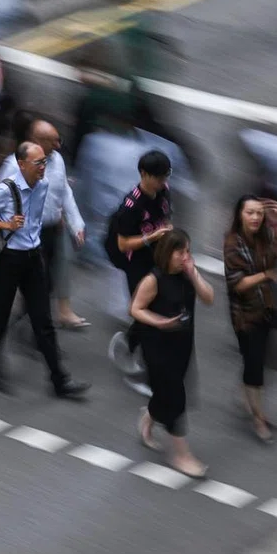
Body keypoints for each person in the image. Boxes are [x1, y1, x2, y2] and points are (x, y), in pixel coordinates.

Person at [0, 142, 91, 399]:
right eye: (38, 163)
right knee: (1, 315)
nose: (43, 167)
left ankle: (60, 381)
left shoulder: (43, 185)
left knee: (43, 321)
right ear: (21, 164)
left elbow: (40, 216)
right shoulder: (6, 189)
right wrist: (5, 225)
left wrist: (62, 223)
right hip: (8, 260)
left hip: (33, 258)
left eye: (44, 162)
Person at [133, 229, 214, 477]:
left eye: (188, 251)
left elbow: (209, 298)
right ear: (167, 253)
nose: (185, 257)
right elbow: (136, 308)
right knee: (176, 397)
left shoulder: (187, 274)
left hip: (182, 344)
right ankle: (180, 455)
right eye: (180, 252)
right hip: (157, 346)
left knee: (169, 392)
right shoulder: (153, 279)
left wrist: (194, 273)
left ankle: (149, 417)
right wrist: (158, 321)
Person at [0, 117, 89, 328]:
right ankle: (34, 330)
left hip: (50, 233)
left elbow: (65, 193)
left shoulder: (58, 161)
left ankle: (26, 321)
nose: (58, 145)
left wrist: (77, 224)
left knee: (45, 284)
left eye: (58, 139)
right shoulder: (14, 165)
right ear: (36, 140)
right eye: (52, 141)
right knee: (35, 285)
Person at [223, 195, 277, 443]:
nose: (255, 217)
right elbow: (238, 284)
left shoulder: (267, 237)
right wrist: (266, 275)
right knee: (255, 369)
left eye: (259, 213)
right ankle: (258, 419)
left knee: (271, 362)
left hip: (268, 309)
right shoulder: (233, 243)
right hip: (247, 315)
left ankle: (247, 400)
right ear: (239, 215)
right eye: (250, 213)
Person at [107, 150, 174, 395]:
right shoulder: (131, 206)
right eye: (158, 177)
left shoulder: (163, 192)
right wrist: (152, 237)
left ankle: (128, 343)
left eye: (165, 177)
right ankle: (141, 375)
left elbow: (166, 217)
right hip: (135, 264)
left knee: (156, 309)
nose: (162, 182)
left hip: (157, 259)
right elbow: (123, 244)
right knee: (148, 314)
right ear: (144, 174)